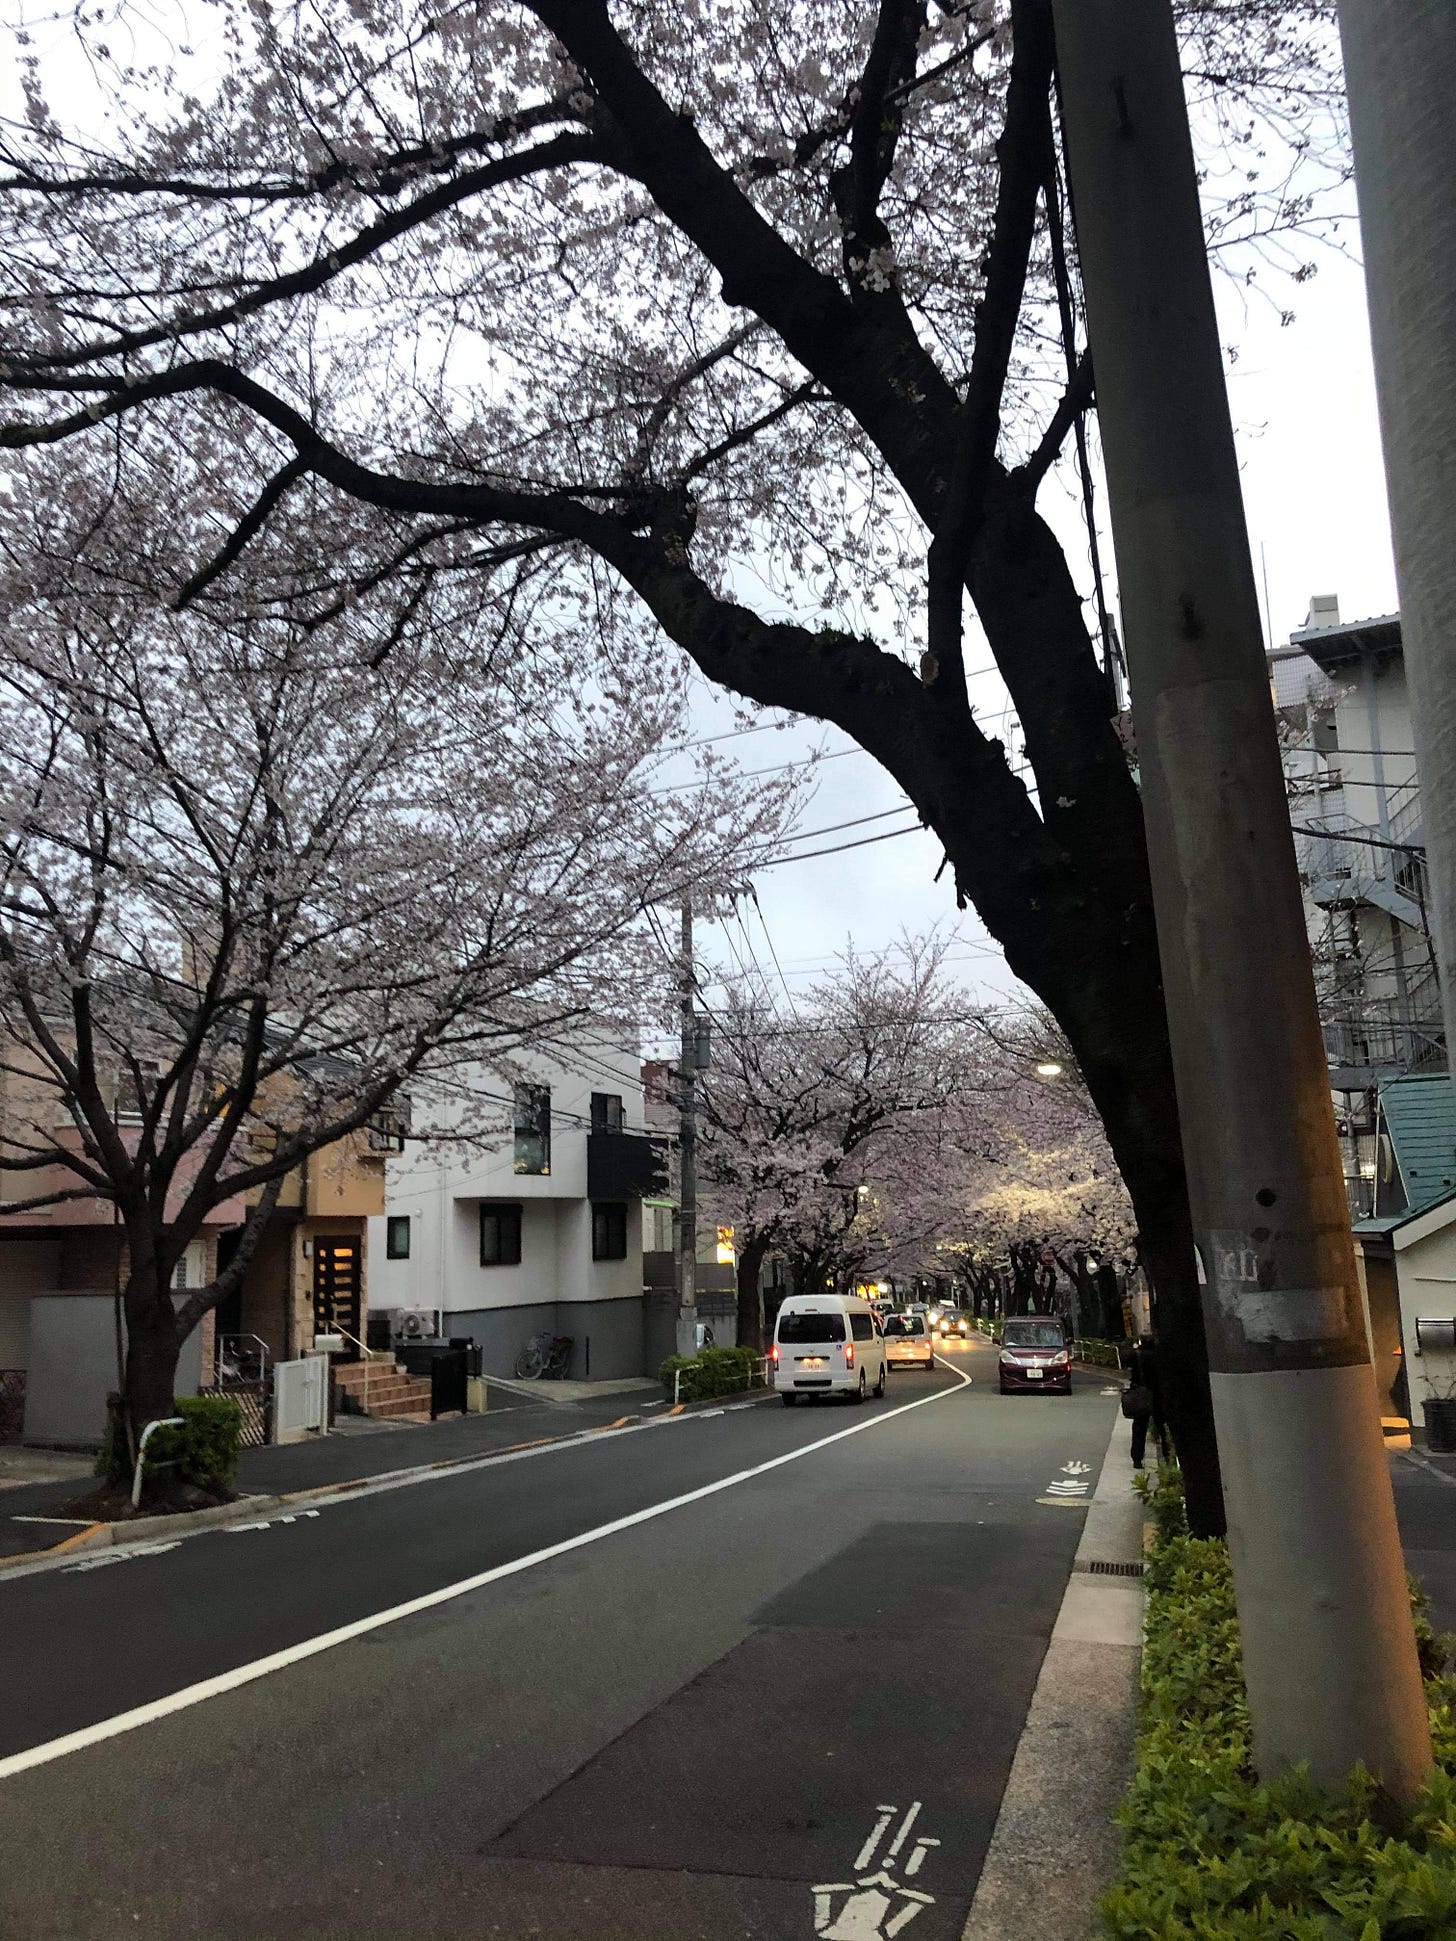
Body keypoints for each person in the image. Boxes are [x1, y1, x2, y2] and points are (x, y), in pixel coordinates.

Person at [1127, 1333, 1166, 1470]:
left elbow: (1126, 1362)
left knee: (1139, 1427)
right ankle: (1167, 1456)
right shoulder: (1159, 1355)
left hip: (1140, 1394)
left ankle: (1137, 1458)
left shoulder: (1136, 1355)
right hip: (1157, 1394)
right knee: (1162, 1426)